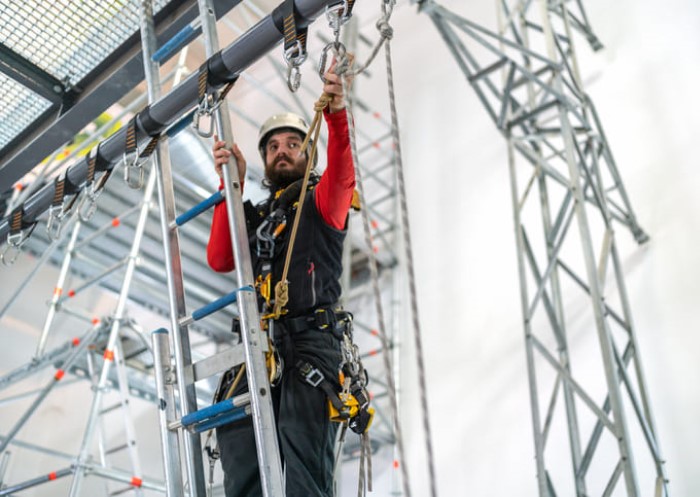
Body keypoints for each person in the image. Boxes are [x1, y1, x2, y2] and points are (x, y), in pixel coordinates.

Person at [206, 59, 355, 497]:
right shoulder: (255, 220)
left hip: (309, 346)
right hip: (257, 348)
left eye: (293, 143)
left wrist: (336, 116)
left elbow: (343, 173)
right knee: (236, 441)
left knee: (302, 458)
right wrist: (228, 186)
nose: (283, 150)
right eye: (273, 147)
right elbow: (219, 258)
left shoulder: (323, 203)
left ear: (307, 154)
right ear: (266, 161)